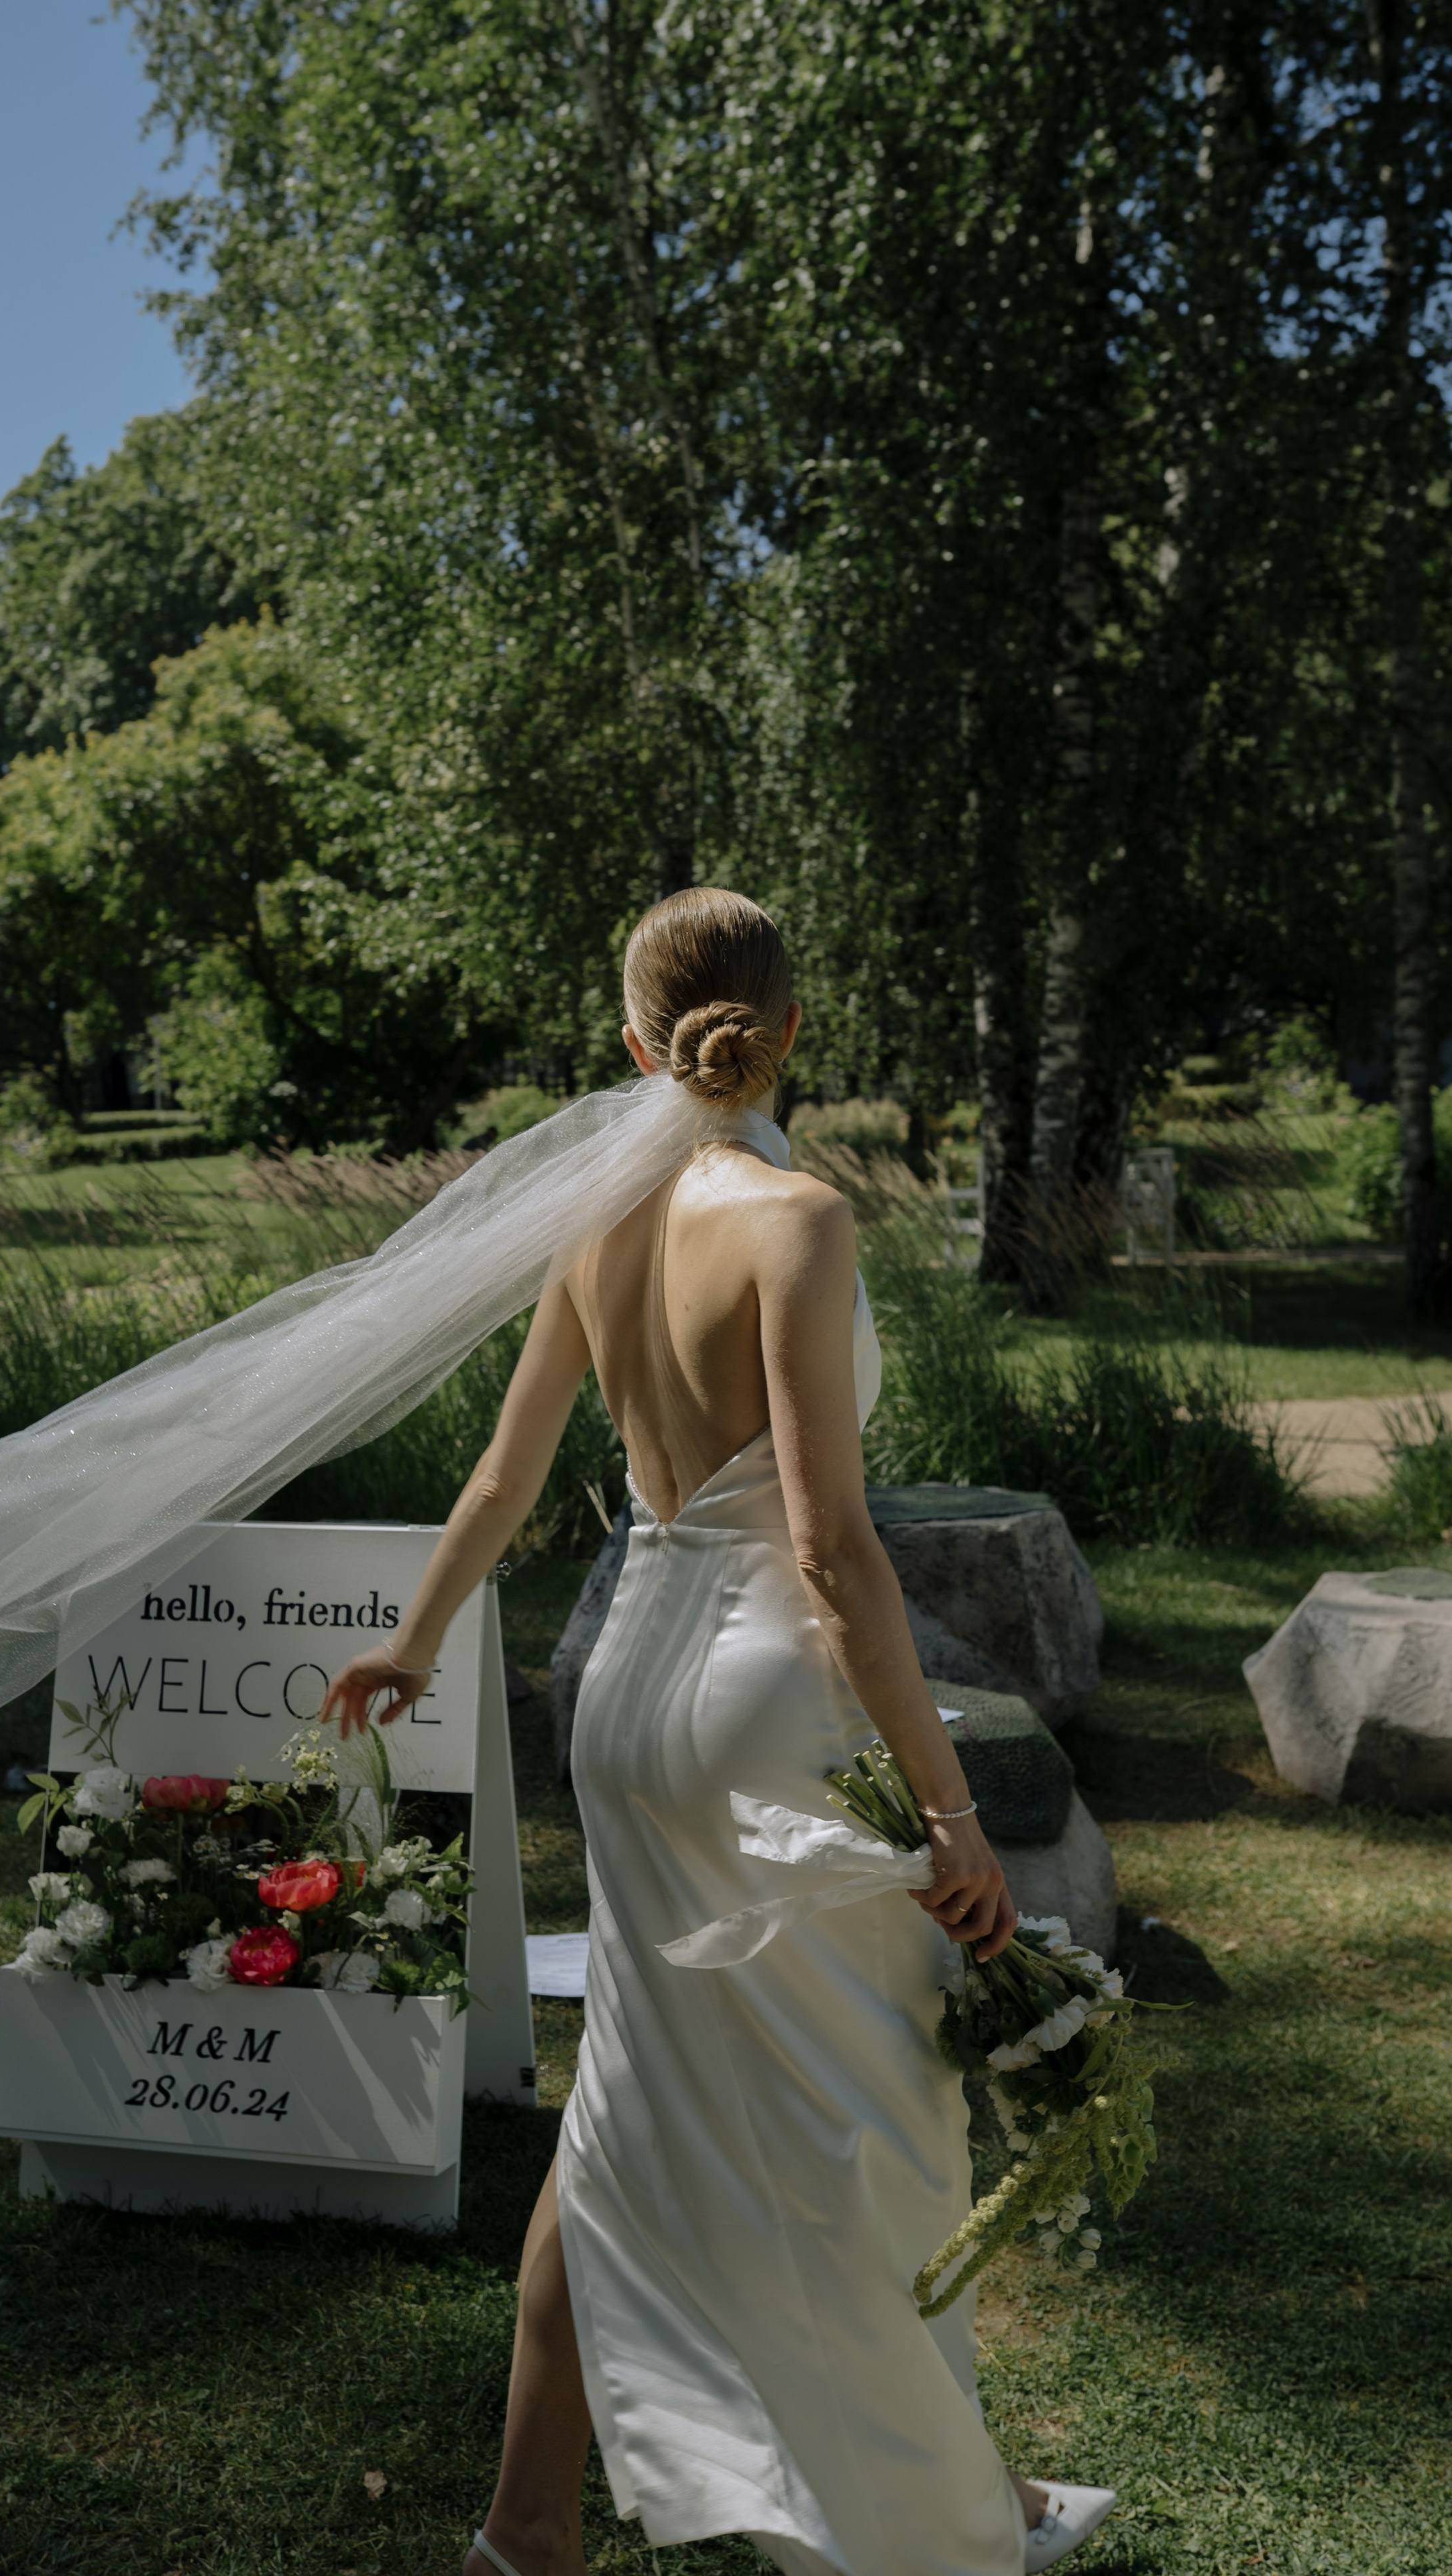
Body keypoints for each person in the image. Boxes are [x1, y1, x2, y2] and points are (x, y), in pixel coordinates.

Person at [323, 890, 1117, 2576]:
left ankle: (529, 2527)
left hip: (616, 1696)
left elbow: (503, 1477)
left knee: (623, 2105)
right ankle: (934, 2509)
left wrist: (413, 1637)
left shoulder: (591, 1224)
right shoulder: (800, 1220)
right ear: (793, 1029)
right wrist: (950, 1810)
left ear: (632, 1043)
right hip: (762, 1695)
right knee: (866, 2110)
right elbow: (831, 1553)